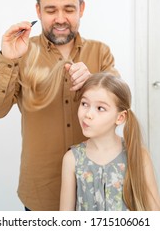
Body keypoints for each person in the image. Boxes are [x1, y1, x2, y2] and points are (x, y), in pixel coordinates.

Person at [0, 0, 118, 211]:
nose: (60, 18)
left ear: (82, 9)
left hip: (94, 193)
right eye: (50, 10)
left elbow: (120, 112)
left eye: (69, 9)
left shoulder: (101, 52)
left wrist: (94, 83)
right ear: (38, 11)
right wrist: (8, 58)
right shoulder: (21, 53)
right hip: (40, 194)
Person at [60, 72, 160, 211]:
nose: (88, 114)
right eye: (84, 104)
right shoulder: (72, 159)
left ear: (120, 118)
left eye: (100, 108)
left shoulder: (138, 155)